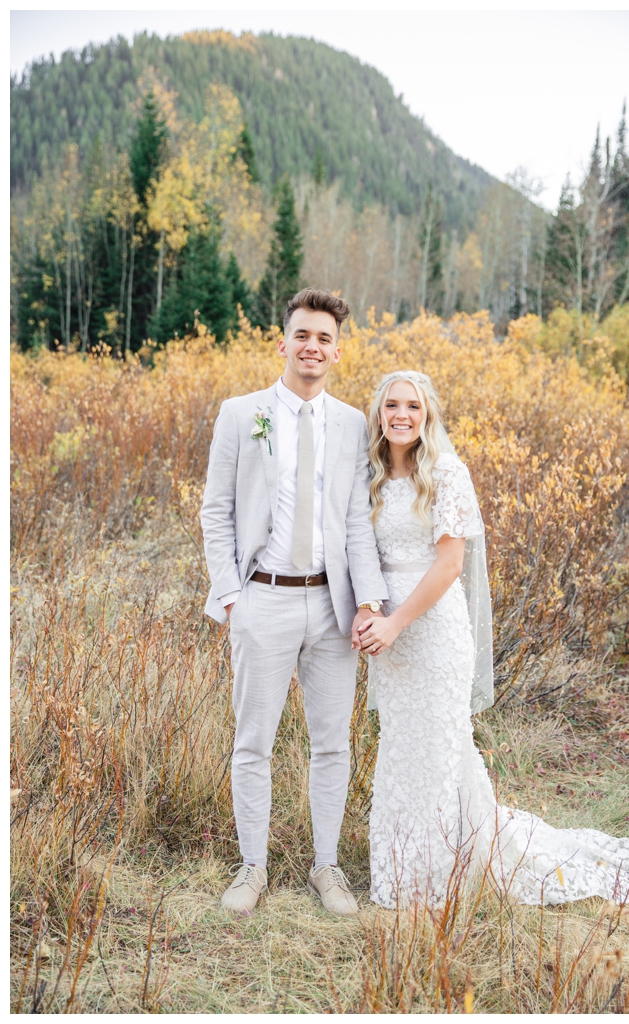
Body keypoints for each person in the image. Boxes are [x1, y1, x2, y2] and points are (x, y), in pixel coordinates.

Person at [352, 369, 629, 909]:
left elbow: (448, 566)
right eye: (391, 405)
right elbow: (358, 549)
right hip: (387, 640)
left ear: (428, 415)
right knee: (400, 750)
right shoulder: (368, 476)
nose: (401, 415)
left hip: (433, 631)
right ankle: (399, 870)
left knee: (440, 749)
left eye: (412, 407)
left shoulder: (447, 473)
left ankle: (440, 880)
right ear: (378, 413)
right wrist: (372, 612)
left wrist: (395, 622)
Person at [200, 288, 386, 918]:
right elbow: (216, 510)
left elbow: (357, 520)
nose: (313, 347)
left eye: (325, 338)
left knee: (332, 744)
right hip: (263, 600)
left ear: (337, 351)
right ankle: (252, 868)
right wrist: (230, 595)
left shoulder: (353, 423)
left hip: (332, 608)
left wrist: (369, 601)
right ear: (282, 343)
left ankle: (326, 867)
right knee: (253, 741)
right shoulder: (240, 413)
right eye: (302, 335)